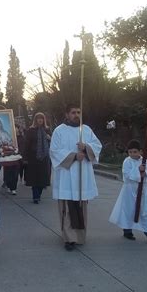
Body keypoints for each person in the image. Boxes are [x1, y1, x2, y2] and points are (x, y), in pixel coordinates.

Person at [50, 104, 102, 251]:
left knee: (81, 206)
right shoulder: (59, 131)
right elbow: (54, 151)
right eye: (73, 112)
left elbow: (97, 146)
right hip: (66, 176)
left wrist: (85, 148)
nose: (76, 115)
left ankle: (80, 236)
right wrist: (73, 156)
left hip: (82, 175)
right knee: (67, 207)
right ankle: (68, 238)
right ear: (67, 114)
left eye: (79, 112)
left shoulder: (86, 130)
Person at [109, 140, 147, 243]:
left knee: (145, 211)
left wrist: (144, 173)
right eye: (130, 152)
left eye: (135, 152)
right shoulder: (127, 161)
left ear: (140, 151)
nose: (132, 154)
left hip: (143, 190)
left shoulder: (146, 161)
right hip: (129, 189)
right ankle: (127, 231)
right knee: (129, 211)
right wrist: (138, 170)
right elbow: (127, 175)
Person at [24, 112, 52, 203]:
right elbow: (26, 144)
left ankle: (39, 194)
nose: (40, 120)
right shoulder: (31, 130)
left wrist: (49, 138)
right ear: (35, 120)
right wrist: (25, 158)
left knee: (43, 178)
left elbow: (54, 143)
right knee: (34, 178)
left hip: (44, 157)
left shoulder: (47, 130)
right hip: (33, 157)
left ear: (44, 120)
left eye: (42, 118)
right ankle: (35, 196)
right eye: (38, 118)